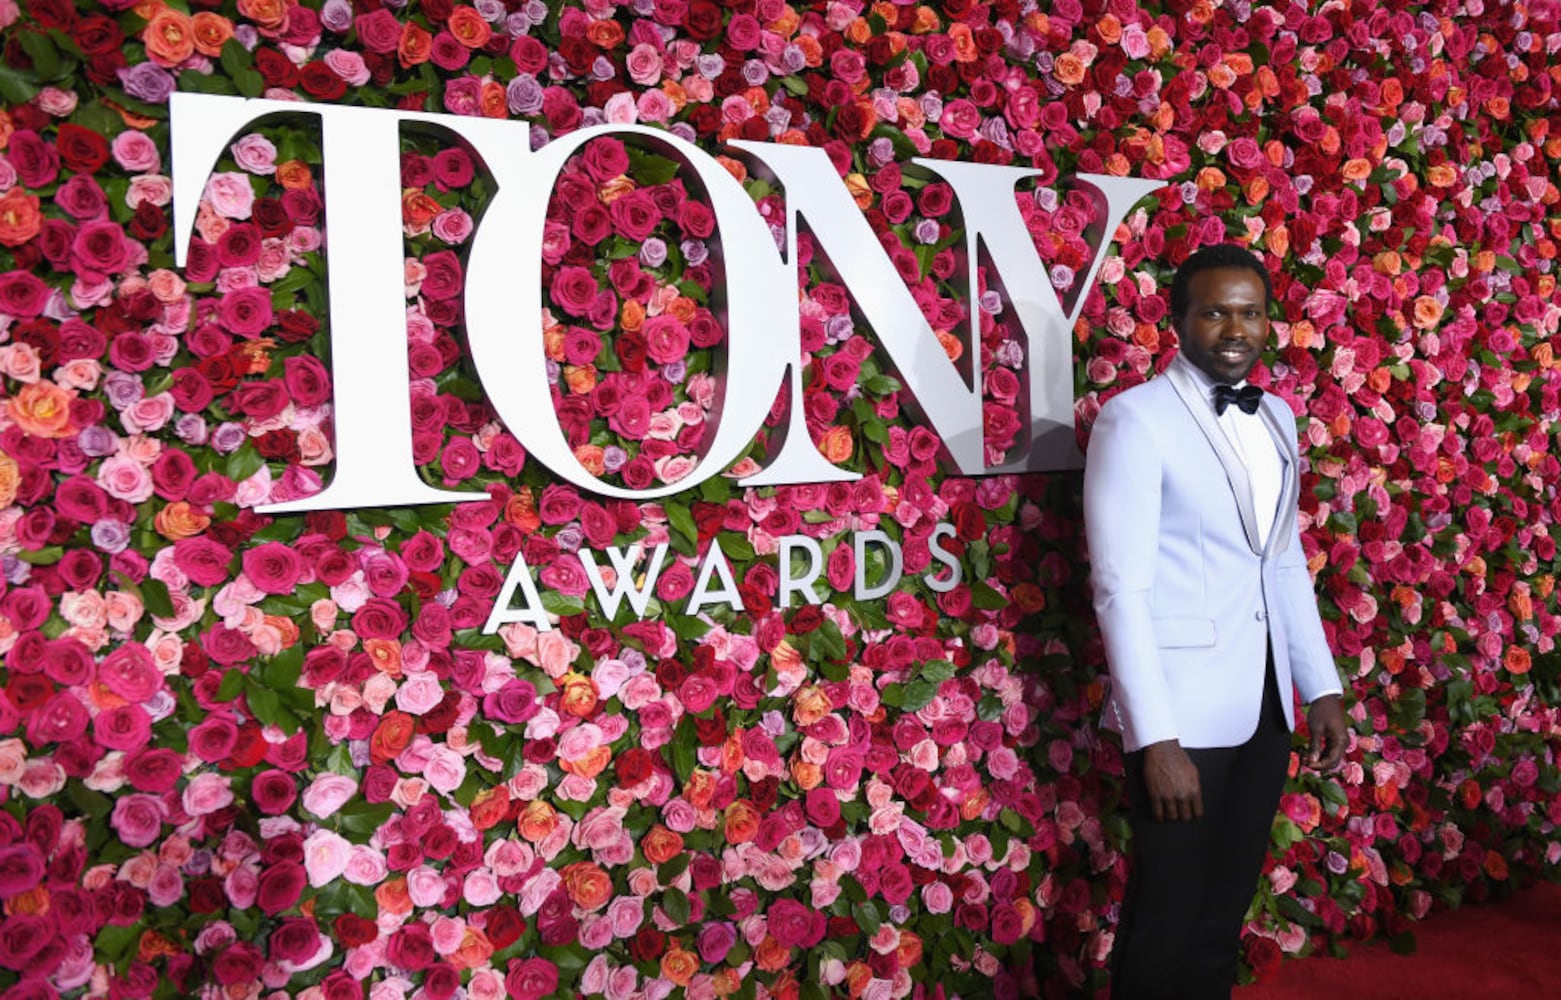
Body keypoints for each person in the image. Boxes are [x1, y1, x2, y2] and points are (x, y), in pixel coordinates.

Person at [1082, 243, 1349, 998]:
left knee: (1221, 912)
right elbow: (1118, 590)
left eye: (1250, 311)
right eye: (1214, 312)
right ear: (1177, 321)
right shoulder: (1132, 420)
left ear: (1269, 322)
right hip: (1181, 715)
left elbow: (1282, 560)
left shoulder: (1278, 419)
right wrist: (1153, 738)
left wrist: (1317, 685)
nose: (1235, 328)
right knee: (1165, 915)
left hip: (1263, 706)